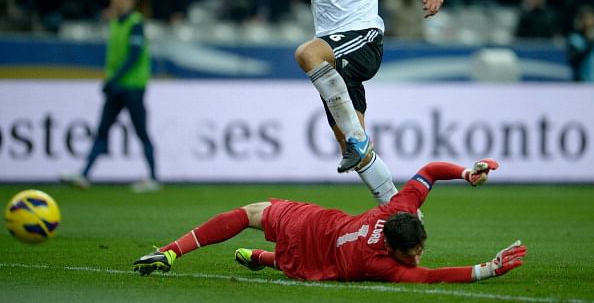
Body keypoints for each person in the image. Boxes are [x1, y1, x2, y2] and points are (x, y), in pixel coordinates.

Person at [252, 0, 445, 205]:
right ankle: (399, 211)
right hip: (334, 53)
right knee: (355, 150)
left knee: (306, 52)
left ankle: (357, 138)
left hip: (366, 39)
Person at [133, 158, 526, 283]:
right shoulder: (379, 263)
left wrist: (465, 175)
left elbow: (430, 170)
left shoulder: (397, 210)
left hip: (311, 224)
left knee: (247, 214)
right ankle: (261, 257)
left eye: (420, 248)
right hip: (309, 259)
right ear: (391, 249)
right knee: (280, 253)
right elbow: (429, 278)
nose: (418, 258)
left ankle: (171, 252)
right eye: (413, 253)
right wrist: (487, 269)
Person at [60, 0, 160, 192]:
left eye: (122, 0)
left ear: (131, 2)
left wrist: (113, 79)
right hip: (116, 86)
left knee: (141, 131)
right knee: (102, 130)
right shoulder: (114, 24)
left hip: (133, 87)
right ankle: (84, 174)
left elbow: (133, 56)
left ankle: (153, 178)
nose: (118, 3)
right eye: (115, 0)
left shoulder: (136, 24)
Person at [567, 5, 594, 82]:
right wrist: (589, 43)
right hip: (582, 82)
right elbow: (574, 62)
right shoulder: (575, 39)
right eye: (586, 19)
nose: (590, 22)